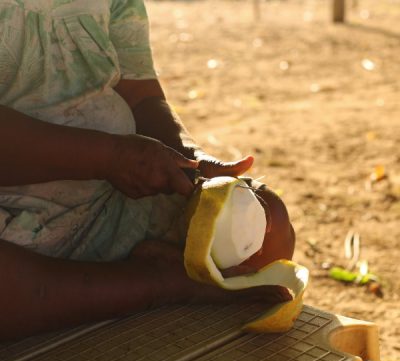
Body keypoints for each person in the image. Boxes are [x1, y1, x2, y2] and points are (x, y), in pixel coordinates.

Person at [0, 0, 295, 340]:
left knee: (267, 224)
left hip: (114, 203)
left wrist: (190, 161)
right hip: (12, 223)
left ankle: (130, 282)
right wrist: (107, 158)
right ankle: (158, 283)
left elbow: (140, 92)